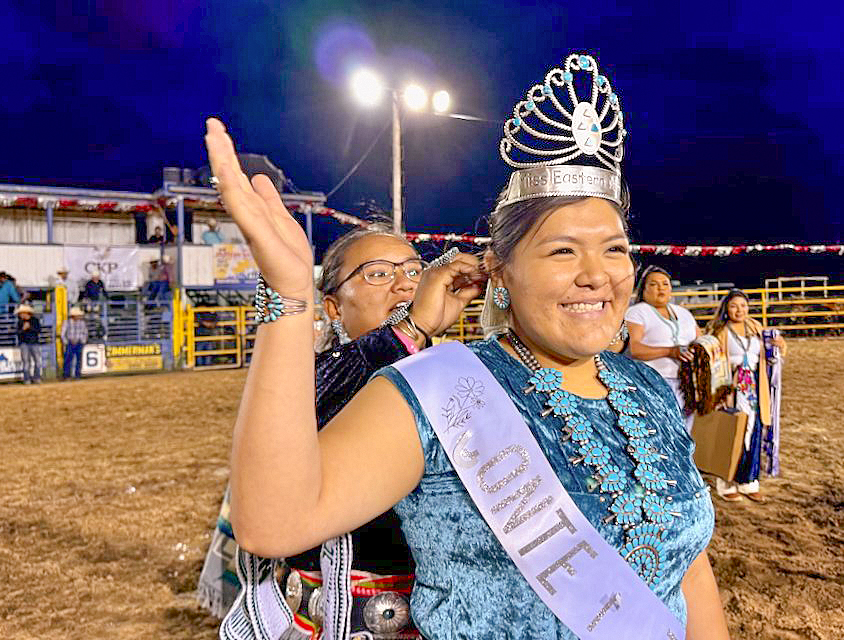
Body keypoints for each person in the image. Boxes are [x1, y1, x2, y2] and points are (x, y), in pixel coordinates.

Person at [206, 52, 728, 640]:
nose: (596, 274)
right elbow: (272, 522)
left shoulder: (646, 390)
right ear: (499, 273)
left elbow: (687, 569)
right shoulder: (440, 387)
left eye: (614, 249)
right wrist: (289, 297)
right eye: (562, 251)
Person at [207, 225, 478, 639]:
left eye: (412, 271)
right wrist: (409, 330)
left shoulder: (459, 379)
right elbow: (326, 392)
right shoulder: (306, 379)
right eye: (378, 274)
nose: (405, 285)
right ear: (333, 307)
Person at [705, 289, 786, 503]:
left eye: (743, 305)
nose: (739, 310)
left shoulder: (755, 327)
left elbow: (768, 355)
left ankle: (749, 482)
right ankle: (727, 483)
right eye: (734, 306)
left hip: (755, 388)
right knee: (732, 431)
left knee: (754, 430)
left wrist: (779, 347)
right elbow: (713, 360)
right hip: (731, 387)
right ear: (726, 308)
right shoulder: (720, 331)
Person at [625, 266, 701, 433]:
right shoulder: (637, 312)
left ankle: (684, 460)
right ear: (643, 289)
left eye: (665, 284)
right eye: (653, 284)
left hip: (686, 381)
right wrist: (669, 351)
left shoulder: (684, 313)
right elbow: (634, 349)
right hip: (653, 380)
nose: (660, 288)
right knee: (660, 432)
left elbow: (700, 342)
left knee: (685, 432)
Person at [15, 304, 42, 384]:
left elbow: (38, 330)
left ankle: (36, 377)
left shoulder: (35, 320)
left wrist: (29, 328)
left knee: (37, 361)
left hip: (34, 343)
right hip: (24, 344)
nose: (21, 315)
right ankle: (27, 379)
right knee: (26, 362)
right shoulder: (20, 322)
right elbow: (18, 333)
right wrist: (23, 329)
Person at [61, 307, 88, 380]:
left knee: (78, 359)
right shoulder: (67, 322)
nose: (79, 316)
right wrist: (66, 342)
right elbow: (63, 334)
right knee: (68, 359)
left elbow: (85, 333)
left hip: (79, 342)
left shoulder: (82, 323)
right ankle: (67, 375)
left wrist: (82, 341)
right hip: (70, 343)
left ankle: (77, 375)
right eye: (78, 315)